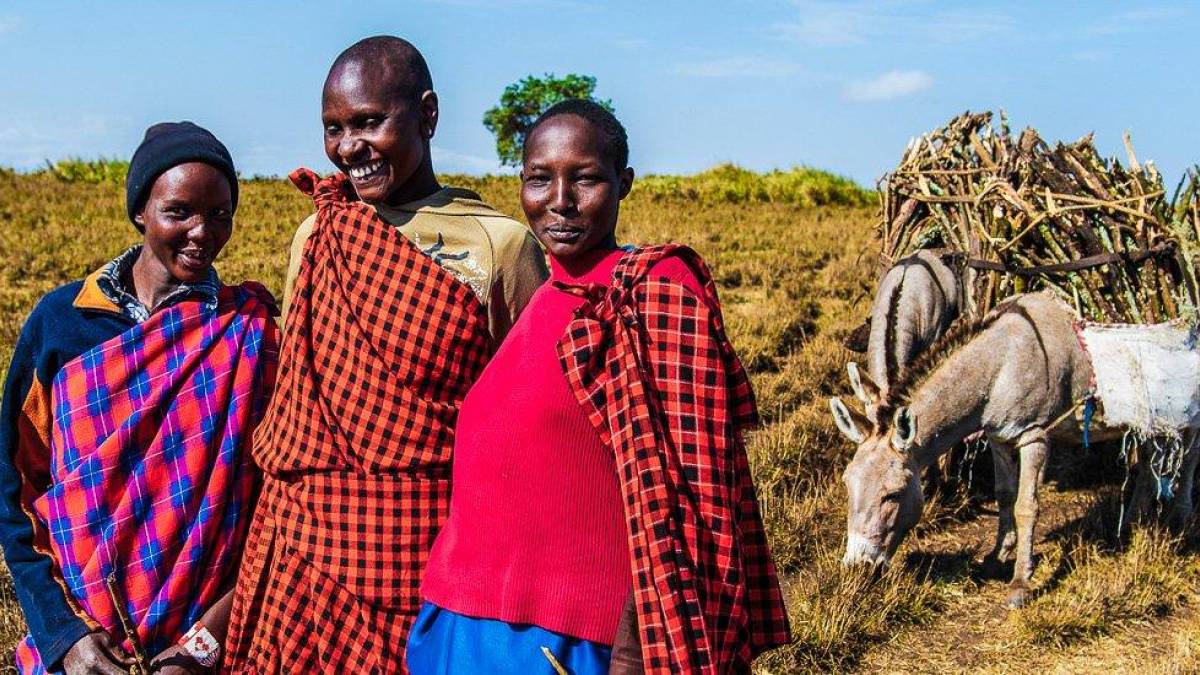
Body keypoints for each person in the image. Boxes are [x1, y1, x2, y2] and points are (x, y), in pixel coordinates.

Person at [409, 99, 791, 674]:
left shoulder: (649, 293)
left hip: (570, 638)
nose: (559, 201)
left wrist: (636, 650)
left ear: (624, 183)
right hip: (468, 620)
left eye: (585, 178)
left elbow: (687, 492)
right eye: (540, 179)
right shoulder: (545, 295)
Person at [223, 36, 547, 673]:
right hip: (299, 541)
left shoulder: (499, 246)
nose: (350, 148)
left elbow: (527, 422)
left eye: (370, 122)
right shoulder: (318, 231)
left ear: (427, 114)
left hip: (420, 550)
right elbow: (299, 386)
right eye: (334, 129)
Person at [0, 122, 279, 675]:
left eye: (221, 214)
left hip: (199, 643)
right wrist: (64, 635)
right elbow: (14, 486)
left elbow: (272, 511)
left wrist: (201, 649)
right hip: (80, 639)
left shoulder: (248, 333)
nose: (203, 232)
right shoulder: (63, 323)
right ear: (140, 211)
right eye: (180, 212)